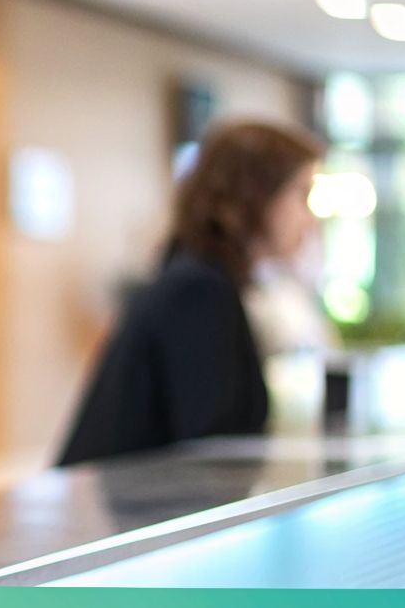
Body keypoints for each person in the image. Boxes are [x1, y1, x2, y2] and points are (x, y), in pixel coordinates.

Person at [57, 120, 323, 466]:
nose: (311, 219)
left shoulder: (203, 279)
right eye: (302, 195)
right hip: (126, 514)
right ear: (254, 197)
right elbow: (213, 450)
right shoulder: (199, 291)